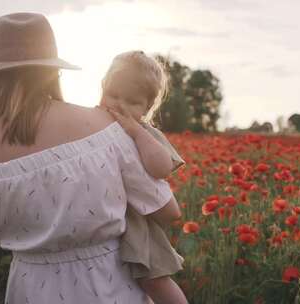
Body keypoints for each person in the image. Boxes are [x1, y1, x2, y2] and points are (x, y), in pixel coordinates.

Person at [0, 12, 184, 304]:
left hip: (30, 288)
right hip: (108, 284)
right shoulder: (105, 127)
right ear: (54, 72)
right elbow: (167, 211)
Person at [97, 50, 188, 304]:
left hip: (139, 224)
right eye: (112, 95)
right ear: (102, 87)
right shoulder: (93, 123)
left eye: (132, 102)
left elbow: (161, 168)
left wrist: (136, 132)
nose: (118, 106)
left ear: (147, 108)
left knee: (154, 281)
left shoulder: (145, 133)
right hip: (110, 218)